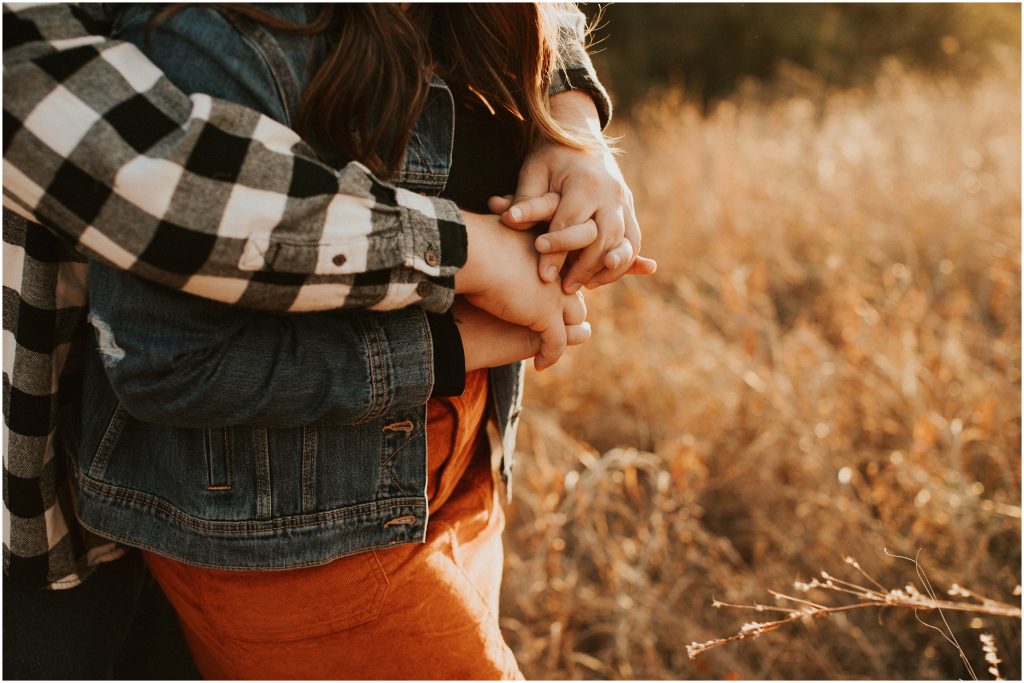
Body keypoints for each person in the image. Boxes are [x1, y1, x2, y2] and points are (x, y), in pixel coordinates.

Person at [2, 2, 651, 678]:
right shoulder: (220, 32)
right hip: (291, 524)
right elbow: (171, 353)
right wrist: (456, 322)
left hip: (460, 466)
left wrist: (570, 129)